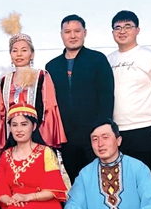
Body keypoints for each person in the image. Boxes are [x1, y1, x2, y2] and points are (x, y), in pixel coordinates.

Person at [46, 15, 114, 184]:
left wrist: (103, 129)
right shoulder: (52, 66)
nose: (73, 35)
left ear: (85, 33)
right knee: (76, 181)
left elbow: (106, 96)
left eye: (77, 31)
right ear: (61, 34)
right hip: (66, 136)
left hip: (93, 133)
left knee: (99, 180)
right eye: (67, 32)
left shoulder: (97, 59)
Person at [108, 10, 151, 176]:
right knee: (120, 180)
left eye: (128, 26)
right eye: (117, 27)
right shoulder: (107, 60)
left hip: (145, 128)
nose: (122, 31)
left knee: (144, 178)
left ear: (137, 30)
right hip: (116, 129)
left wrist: (148, 112)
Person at [0, 12, 66, 152]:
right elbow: (1, 113)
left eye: (24, 50)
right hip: (12, 139)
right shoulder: (5, 81)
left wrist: (44, 140)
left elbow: (49, 110)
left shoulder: (42, 76)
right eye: (15, 51)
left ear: (32, 54)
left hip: (38, 138)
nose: (19, 54)